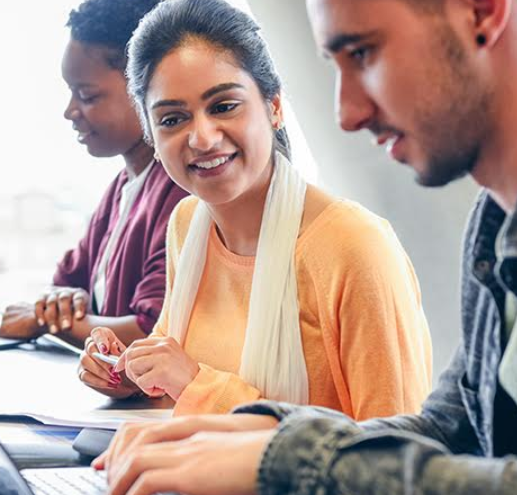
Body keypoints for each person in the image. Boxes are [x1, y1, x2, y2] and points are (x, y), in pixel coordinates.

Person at [97, 0, 517, 495]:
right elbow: (449, 430)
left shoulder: (352, 242)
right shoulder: (490, 229)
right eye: (172, 117)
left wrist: (288, 460)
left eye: (363, 52)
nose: (345, 114)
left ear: (484, 13)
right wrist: (255, 435)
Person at [76, 0, 431, 420]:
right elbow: (177, 386)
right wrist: (126, 373)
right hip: (195, 477)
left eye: (224, 106)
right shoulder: (187, 226)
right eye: (173, 119)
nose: (203, 138)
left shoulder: (353, 246)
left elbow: (395, 455)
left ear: (274, 107)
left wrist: (195, 383)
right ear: (151, 135)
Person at [0, 0, 188, 348]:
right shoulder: (122, 188)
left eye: (86, 95)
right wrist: (56, 308)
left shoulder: (181, 193)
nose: (70, 111)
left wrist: (44, 320)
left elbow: (152, 331)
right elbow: (65, 284)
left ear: (144, 86)